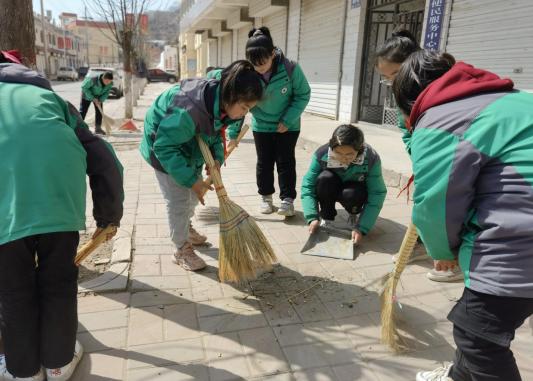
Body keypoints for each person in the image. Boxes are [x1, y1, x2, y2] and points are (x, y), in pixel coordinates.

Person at [392, 49, 533, 381]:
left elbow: (437, 204)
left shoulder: (440, 118)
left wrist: (443, 253)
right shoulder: (514, 99)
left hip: (519, 241)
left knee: (477, 339)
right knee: (472, 324)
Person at [0, 53, 124, 381]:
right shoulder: (50, 98)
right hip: (59, 202)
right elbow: (105, 159)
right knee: (58, 282)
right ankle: (58, 365)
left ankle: (23, 372)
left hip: (4, 214)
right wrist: (108, 216)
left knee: (13, 290)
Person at [139, 60, 263, 272]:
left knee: (195, 195)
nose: (244, 114)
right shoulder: (187, 111)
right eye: (244, 107)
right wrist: (191, 180)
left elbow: (214, 133)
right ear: (231, 96)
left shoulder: (221, 103)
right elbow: (165, 147)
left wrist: (216, 159)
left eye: (249, 109)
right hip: (163, 149)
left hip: (188, 146)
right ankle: (180, 248)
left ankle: (185, 228)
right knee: (179, 200)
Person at [375, 30, 462, 282]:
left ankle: (451, 258)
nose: (392, 82)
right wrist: (417, 150)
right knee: (427, 201)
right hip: (427, 152)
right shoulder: (405, 94)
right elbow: (407, 131)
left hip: (454, 156)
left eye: (394, 74)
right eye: (386, 78)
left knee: (445, 202)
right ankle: (425, 244)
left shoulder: (442, 94)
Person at [215, 27, 310, 216]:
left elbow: (303, 94)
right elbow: (240, 105)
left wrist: (288, 120)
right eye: (255, 64)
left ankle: (287, 200)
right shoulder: (247, 74)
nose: (259, 68)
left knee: (285, 162)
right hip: (261, 126)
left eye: (263, 63)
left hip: (287, 126)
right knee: (264, 163)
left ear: (273, 53)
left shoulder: (290, 69)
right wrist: (233, 134)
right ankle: (266, 198)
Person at [301, 125, 387, 244]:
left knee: (352, 194)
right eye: (338, 153)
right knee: (324, 179)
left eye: (349, 154)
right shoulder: (322, 154)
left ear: (359, 150)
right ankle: (326, 217)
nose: (343, 158)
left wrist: (362, 228)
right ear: (331, 147)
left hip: (354, 190)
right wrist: (312, 217)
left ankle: (353, 213)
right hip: (330, 185)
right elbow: (308, 186)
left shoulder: (371, 158)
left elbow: (377, 193)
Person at [79, 71, 114, 135]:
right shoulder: (93, 80)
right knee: (83, 112)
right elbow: (84, 87)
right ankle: (78, 128)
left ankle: (98, 129)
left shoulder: (110, 83)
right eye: (107, 81)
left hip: (98, 96)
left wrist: (101, 100)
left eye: (109, 81)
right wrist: (92, 98)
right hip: (87, 95)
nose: (108, 83)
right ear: (103, 78)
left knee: (99, 112)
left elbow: (106, 92)